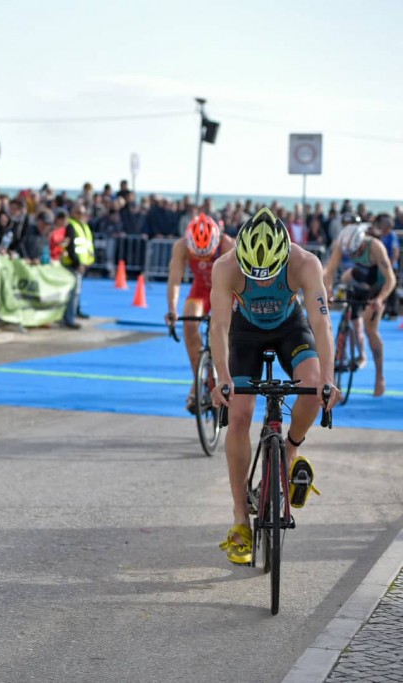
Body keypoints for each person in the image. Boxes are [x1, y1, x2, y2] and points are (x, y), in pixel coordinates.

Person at [210, 208, 341, 566]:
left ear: (285, 256)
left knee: (313, 386)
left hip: (289, 328)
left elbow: (321, 323)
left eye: (270, 275)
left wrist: (328, 378)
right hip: (245, 333)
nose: (264, 283)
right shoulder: (225, 266)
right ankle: (240, 519)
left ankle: (291, 449)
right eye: (255, 276)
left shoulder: (305, 263)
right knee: (238, 414)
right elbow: (219, 327)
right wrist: (222, 376)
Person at [164, 213, 236, 413]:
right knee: (189, 321)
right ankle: (198, 379)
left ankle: (225, 374)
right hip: (202, 290)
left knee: (224, 330)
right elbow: (175, 278)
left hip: (225, 290)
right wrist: (172, 309)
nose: (203, 260)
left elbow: (240, 280)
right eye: (199, 256)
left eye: (208, 255)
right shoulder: (181, 246)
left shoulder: (228, 245)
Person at [321, 222, 396, 397]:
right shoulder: (342, 244)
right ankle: (351, 330)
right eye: (351, 254)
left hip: (379, 285)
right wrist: (329, 292)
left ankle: (380, 377)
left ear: (362, 244)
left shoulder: (375, 247)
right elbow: (329, 272)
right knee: (347, 278)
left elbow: (391, 279)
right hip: (361, 280)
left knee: (370, 327)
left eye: (356, 253)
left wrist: (379, 299)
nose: (354, 255)